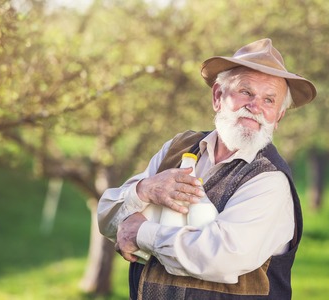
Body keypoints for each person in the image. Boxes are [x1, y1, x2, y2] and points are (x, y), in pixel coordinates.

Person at [97, 38, 317, 300]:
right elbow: (108, 219)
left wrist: (141, 232)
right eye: (245, 92)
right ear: (217, 97)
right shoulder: (177, 148)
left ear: (278, 117)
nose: (255, 107)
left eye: (269, 100)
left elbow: (221, 256)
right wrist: (144, 190)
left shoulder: (269, 179)